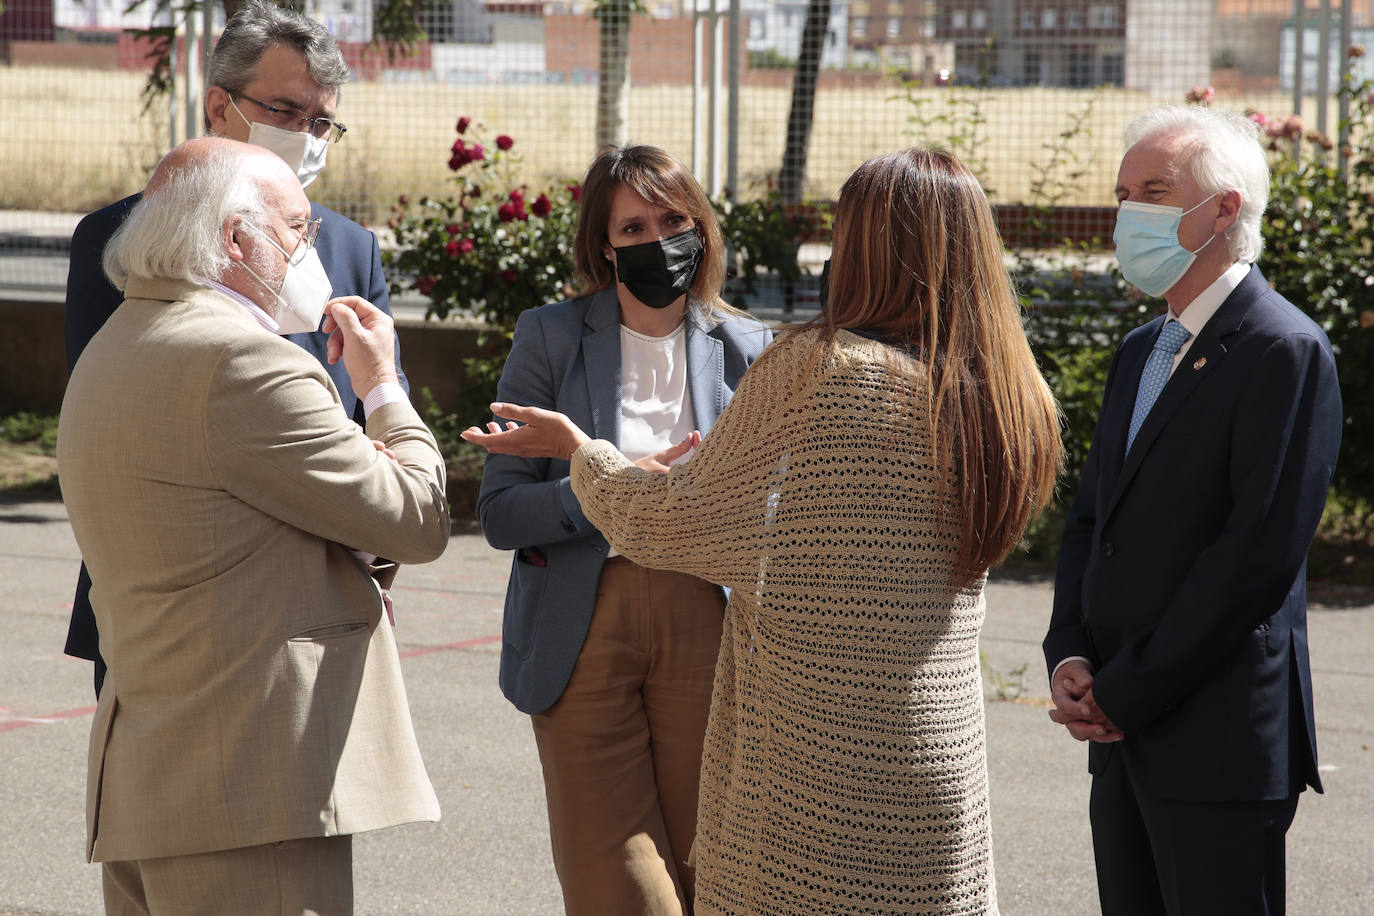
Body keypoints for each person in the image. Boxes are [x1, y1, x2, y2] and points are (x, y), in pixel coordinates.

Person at [464, 147, 1063, 915]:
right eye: (634, 225)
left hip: (805, 742)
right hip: (935, 749)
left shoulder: (808, 364)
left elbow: (691, 522)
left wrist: (585, 457)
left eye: (674, 220)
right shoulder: (1015, 396)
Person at [57, 136, 449, 914]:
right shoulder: (243, 360)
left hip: (150, 777)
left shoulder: (118, 342)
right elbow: (418, 516)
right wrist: (380, 385)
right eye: (299, 230)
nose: (313, 251)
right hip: (250, 790)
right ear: (236, 238)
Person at [1043, 105, 1343, 915]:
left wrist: (1126, 691)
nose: (1127, 211)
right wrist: (1069, 653)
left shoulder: (1283, 348)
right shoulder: (1144, 348)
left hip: (1214, 744)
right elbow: (1091, 522)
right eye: (1122, 192)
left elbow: (1253, 558)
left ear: (1223, 210)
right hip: (1121, 732)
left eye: (1153, 189)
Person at [62, 0, 405, 697]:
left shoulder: (348, 247)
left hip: (321, 601)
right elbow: (107, 427)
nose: (305, 136)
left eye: (320, 122)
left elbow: (375, 415)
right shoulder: (118, 238)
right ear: (220, 106)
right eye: (283, 110)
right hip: (165, 608)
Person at [474, 144, 772, 914]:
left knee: (714, 862)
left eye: (673, 220)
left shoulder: (748, 348)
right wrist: (608, 486)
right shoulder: (550, 335)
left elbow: (768, 512)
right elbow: (501, 511)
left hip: (705, 616)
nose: (657, 241)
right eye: (633, 227)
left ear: (701, 228)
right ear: (604, 245)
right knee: (615, 880)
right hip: (582, 614)